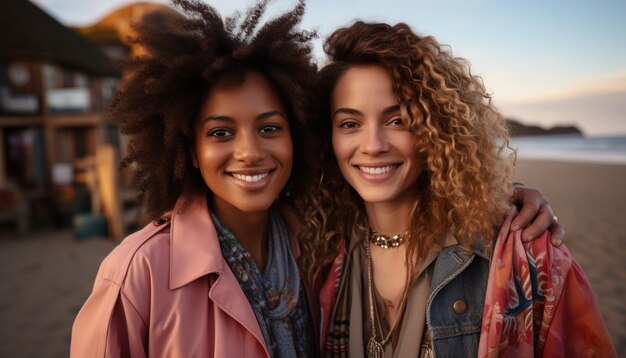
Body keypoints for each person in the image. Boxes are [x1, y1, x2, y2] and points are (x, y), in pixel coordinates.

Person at [300, 21, 615, 357]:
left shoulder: (525, 250)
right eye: (350, 124)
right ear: (326, 138)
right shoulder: (318, 251)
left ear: (435, 128)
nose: (373, 145)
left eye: (398, 120)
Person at [70, 0, 319, 356]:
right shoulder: (135, 274)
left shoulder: (313, 250)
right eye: (220, 132)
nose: (249, 152)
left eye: (269, 127)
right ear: (191, 152)